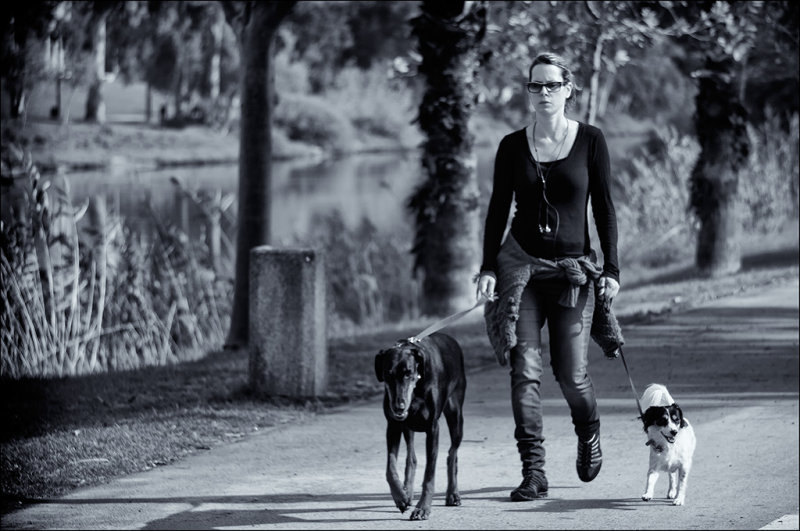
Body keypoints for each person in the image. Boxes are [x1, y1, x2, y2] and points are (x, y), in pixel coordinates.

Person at [476, 52, 620, 502]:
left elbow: (604, 208)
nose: (542, 93)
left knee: (572, 375)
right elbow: (498, 210)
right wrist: (486, 267)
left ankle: (589, 431)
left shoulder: (591, 141)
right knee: (525, 371)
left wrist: (611, 268)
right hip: (520, 268)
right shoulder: (511, 145)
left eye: (551, 85)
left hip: (572, 273)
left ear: (568, 89)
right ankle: (534, 472)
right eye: (534, 86)